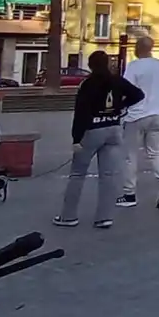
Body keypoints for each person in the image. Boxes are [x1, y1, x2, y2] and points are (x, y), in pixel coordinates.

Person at [54, 50, 143, 229]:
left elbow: (81, 112)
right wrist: (120, 107)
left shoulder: (88, 84)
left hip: (92, 130)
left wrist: (76, 139)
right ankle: (104, 217)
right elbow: (138, 94)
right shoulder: (117, 80)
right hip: (114, 130)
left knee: (78, 174)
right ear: (108, 64)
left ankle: (68, 216)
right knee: (108, 176)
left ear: (90, 65)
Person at [117, 36, 159, 210]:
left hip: (135, 116)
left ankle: (129, 194)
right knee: (156, 153)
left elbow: (125, 90)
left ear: (137, 48)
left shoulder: (134, 66)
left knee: (130, 156)